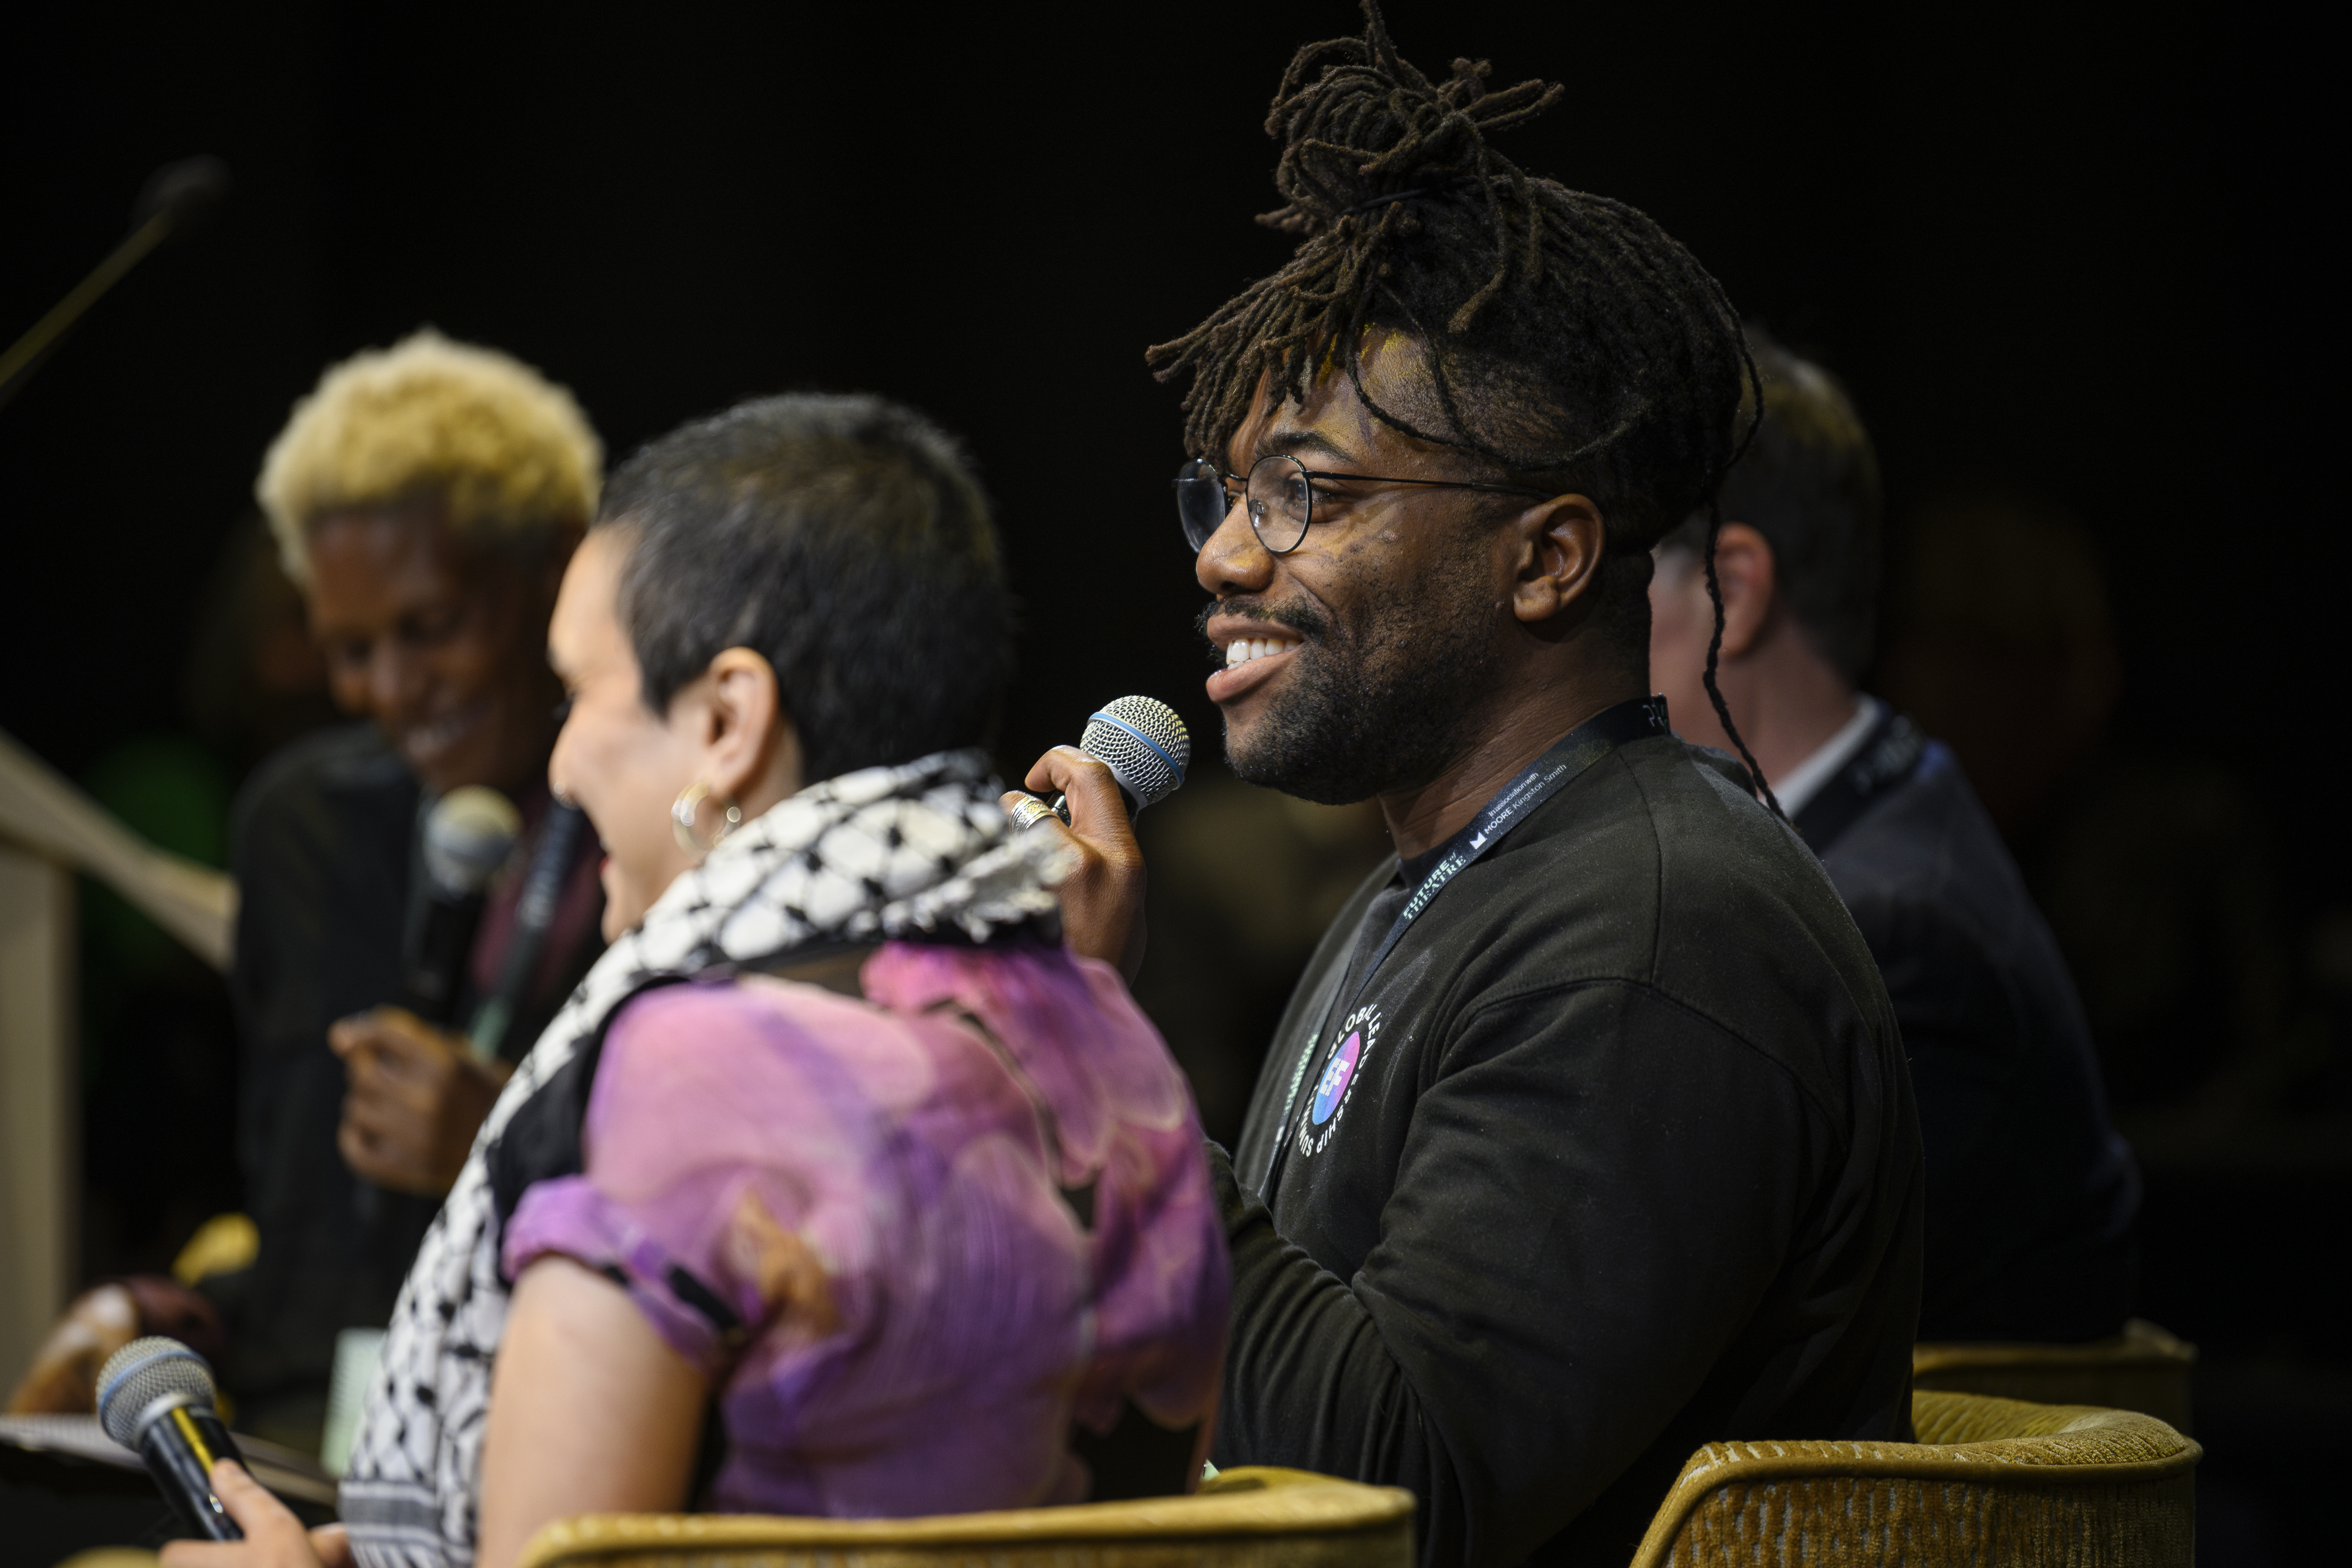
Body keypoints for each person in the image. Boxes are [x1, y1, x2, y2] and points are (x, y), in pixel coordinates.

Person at [1017, 8, 1923, 1565]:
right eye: (1228, 497)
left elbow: (1397, 1487)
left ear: (1548, 556)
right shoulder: (1433, 884)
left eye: (1307, 494)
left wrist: (1093, 1050)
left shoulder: (1657, 933)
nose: (1224, 557)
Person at [165, 393, 1228, 1568]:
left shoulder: (685, 1070)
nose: (562, 766)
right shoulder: (1120, 1046)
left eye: (582, 695)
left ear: (727, 719)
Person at [5, 332, 609, 1445]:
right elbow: (311, 1246)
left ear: (557, 573)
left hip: (558, 1435)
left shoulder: (655, 827)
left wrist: (506, 1141)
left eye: (430, 628)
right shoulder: (304, 827)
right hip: (312, 1436)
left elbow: (727, 1232)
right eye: (349, 649)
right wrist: (156, 1312)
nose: (387, 691)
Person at [1648, 332, 2141, 1343]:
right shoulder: (1881, 822)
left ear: (1729, 595)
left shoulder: (1895, 930)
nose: (1557, 620)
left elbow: (1694, 1340)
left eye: (1605, 574)